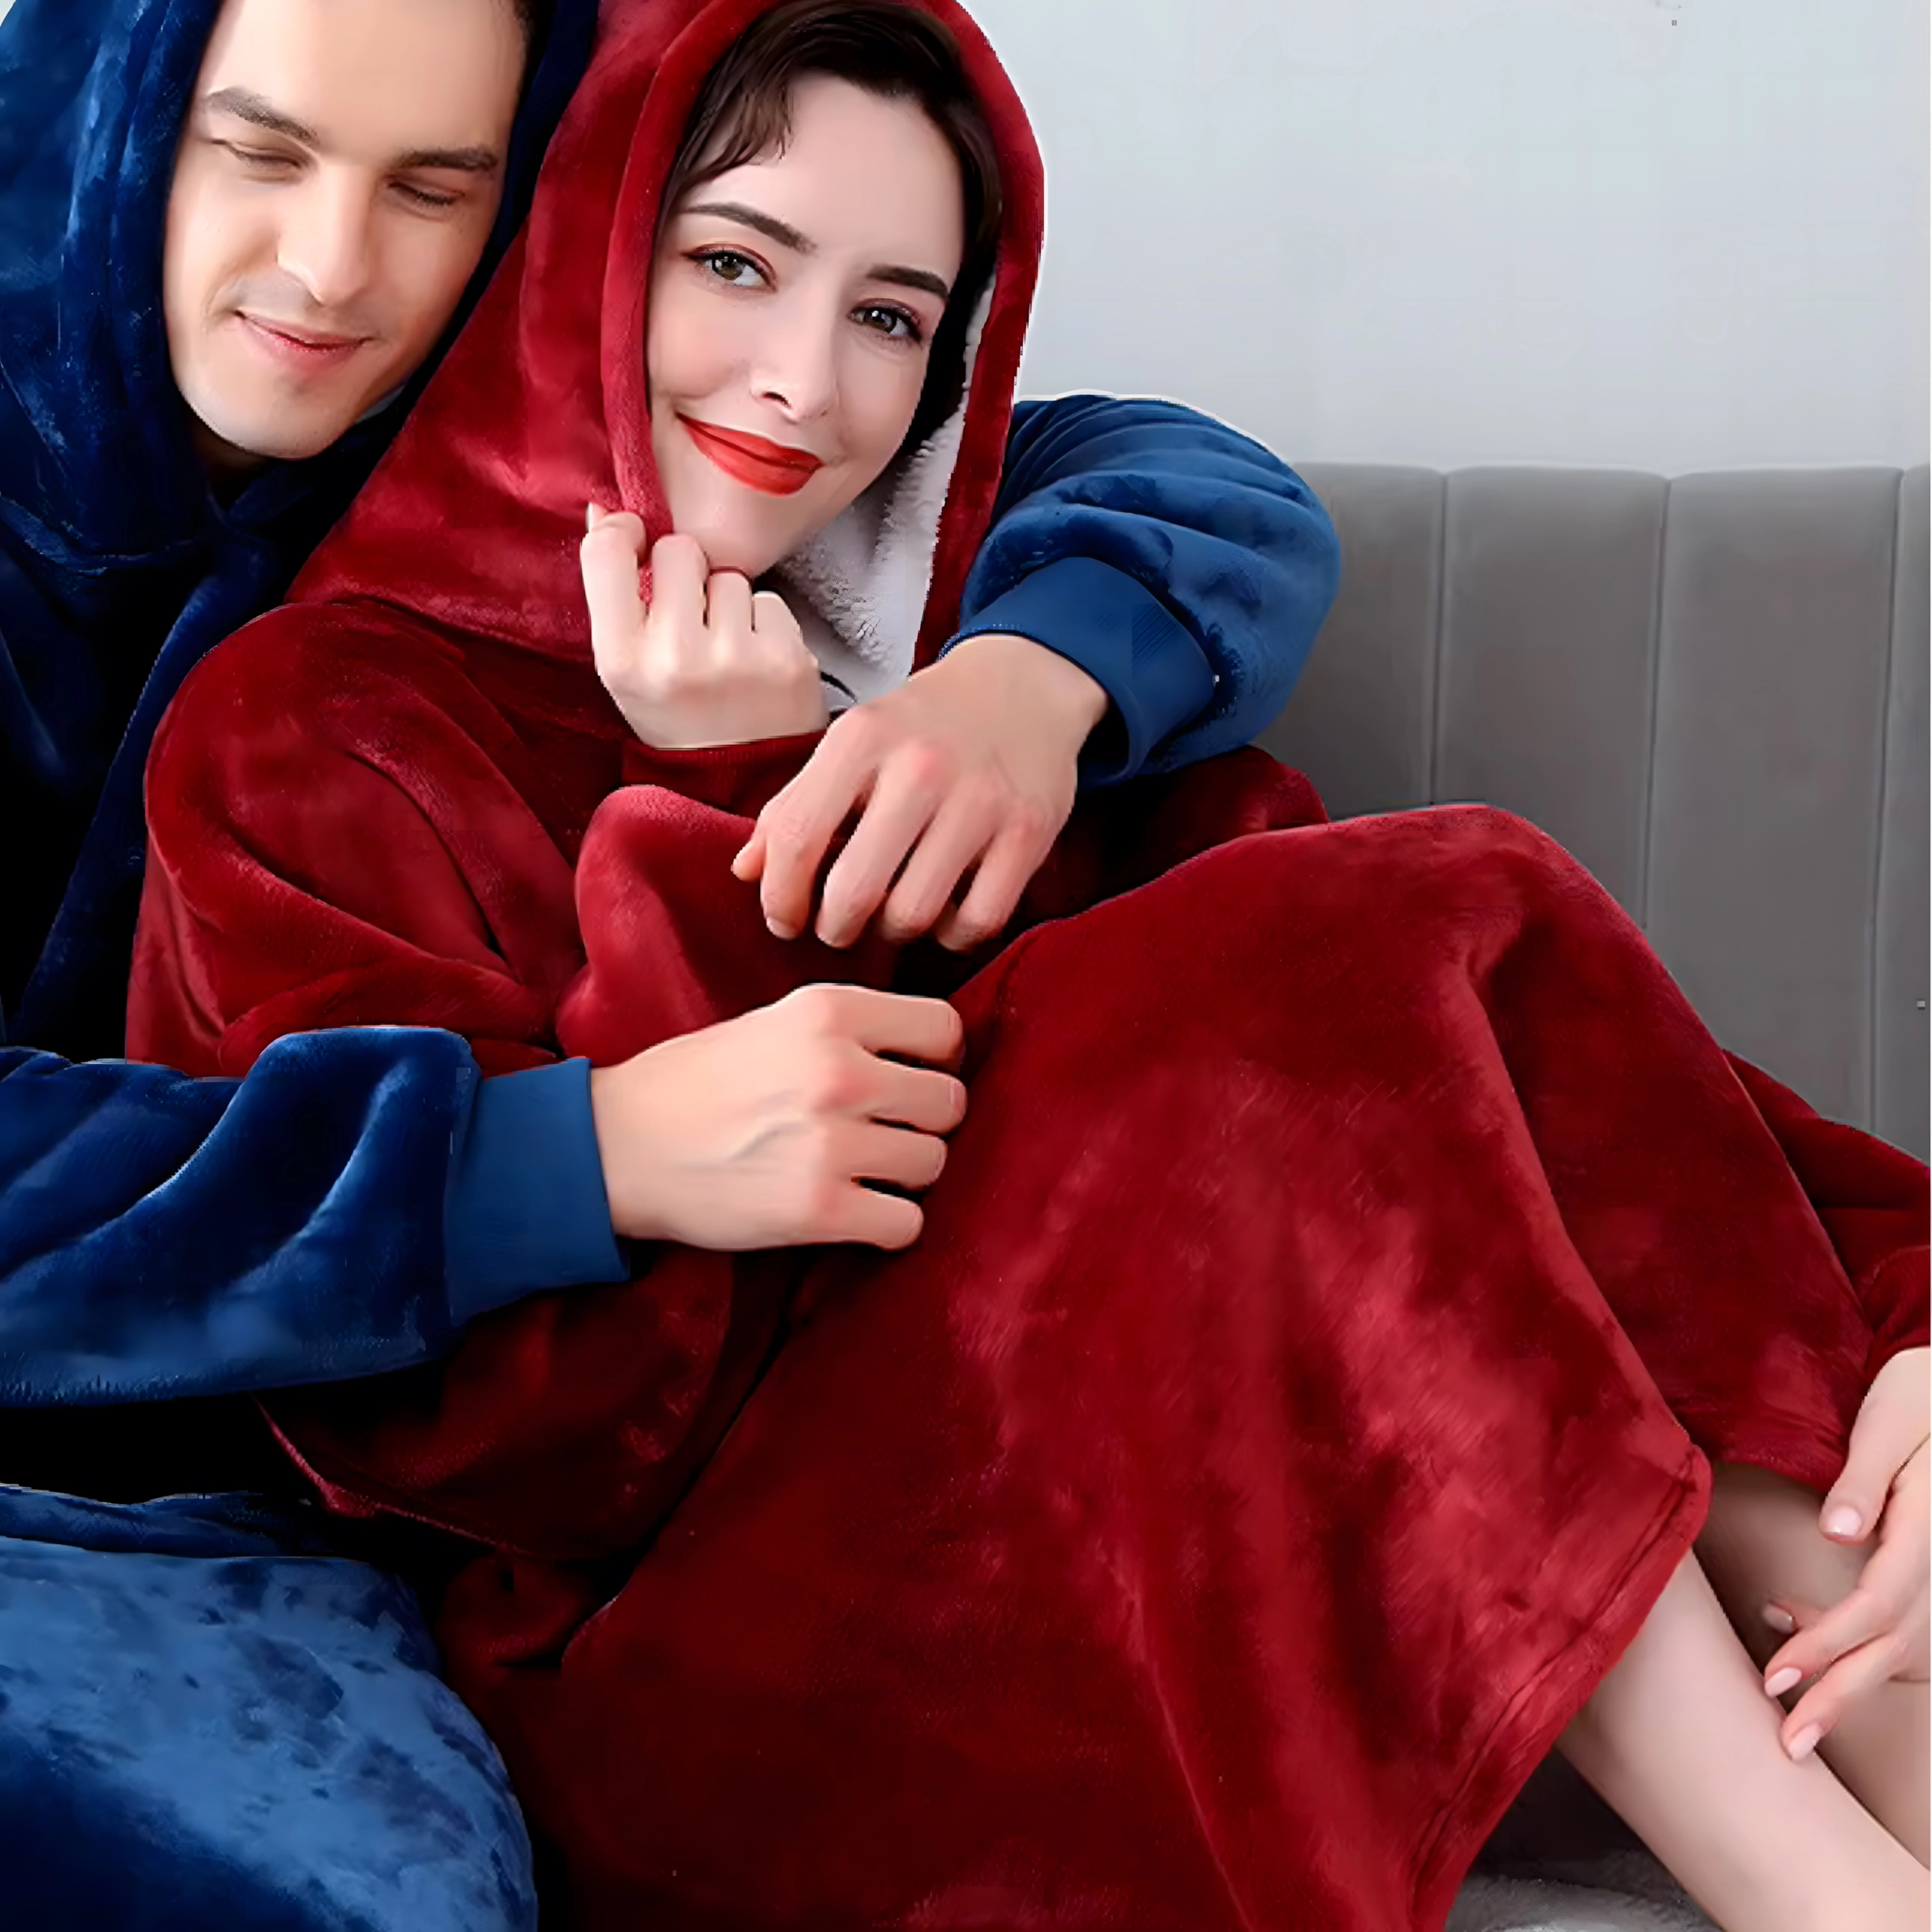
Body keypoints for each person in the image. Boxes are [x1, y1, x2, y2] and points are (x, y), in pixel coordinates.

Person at [131, 0, 1928, 1927]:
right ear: (578, 254)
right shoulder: (310, 724)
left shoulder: (952, 667)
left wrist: (1902, 1310)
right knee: (1304, 962)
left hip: (1131, 1511)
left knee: (1408, 907)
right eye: (731, 264)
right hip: (676, 1665)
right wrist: (721, 815)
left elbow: (1501, 1050)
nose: (802, 382)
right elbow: (518, 1441)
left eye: (890, 315)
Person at [0, 0, 1338, 1923]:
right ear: (109, 113)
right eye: (261, 151)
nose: (335, 265)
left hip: (295, 1513)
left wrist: (1029, 675)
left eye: (436, 186)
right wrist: (570, 1146)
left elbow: (1170, 472)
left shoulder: (527, 433)